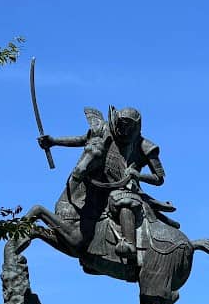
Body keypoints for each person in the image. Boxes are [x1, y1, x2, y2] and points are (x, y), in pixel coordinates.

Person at [39, 106, 167, 268]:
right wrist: (53, 141)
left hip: (123, 186)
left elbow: (159, 178)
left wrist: (137, 174)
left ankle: (128, 244)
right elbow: (82, 140)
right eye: (121, 123)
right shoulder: (104, 130)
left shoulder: (145, 146)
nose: (123, 129)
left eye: (129, 125)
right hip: (99, 180)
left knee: (123, 200)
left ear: (136, 126)